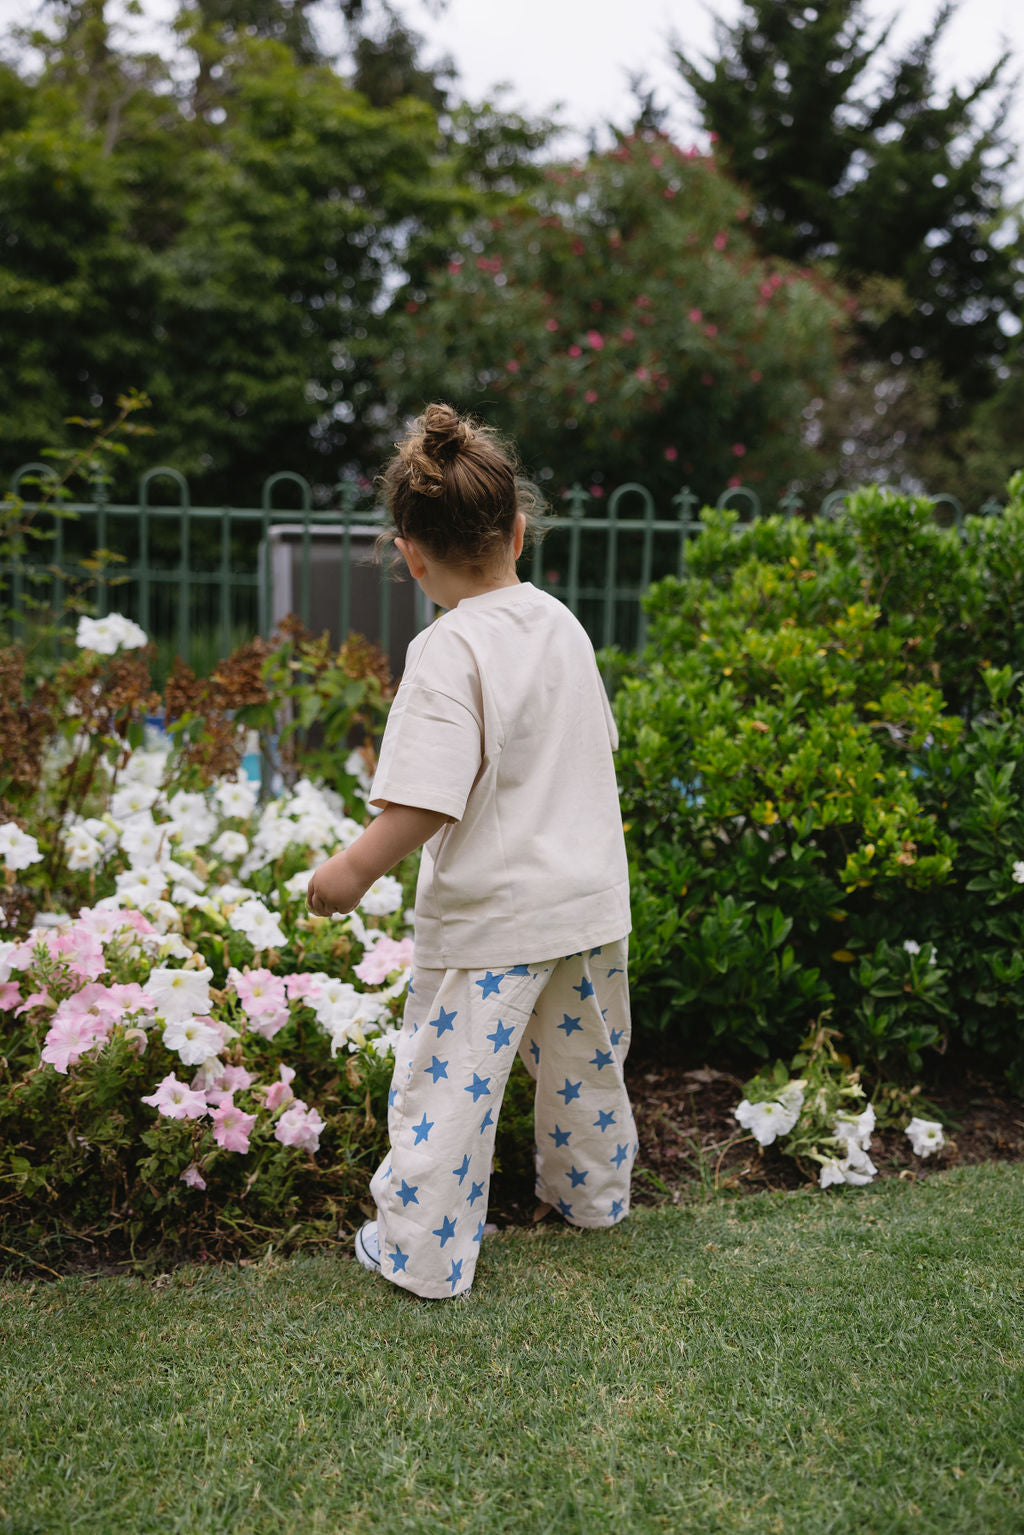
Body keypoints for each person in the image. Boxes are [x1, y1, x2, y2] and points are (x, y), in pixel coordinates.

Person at [307, 403, 636, 1299]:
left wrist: (351, 869)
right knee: (587, 1066)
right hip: (589, 903)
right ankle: (594, 1196)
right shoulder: (562, 625)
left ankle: (419, 1253)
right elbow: (588, 744)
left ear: (410, 554)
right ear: (518, 530)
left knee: (448, 1088)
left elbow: (422, 798)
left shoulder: (447, 650)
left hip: (495, 917)